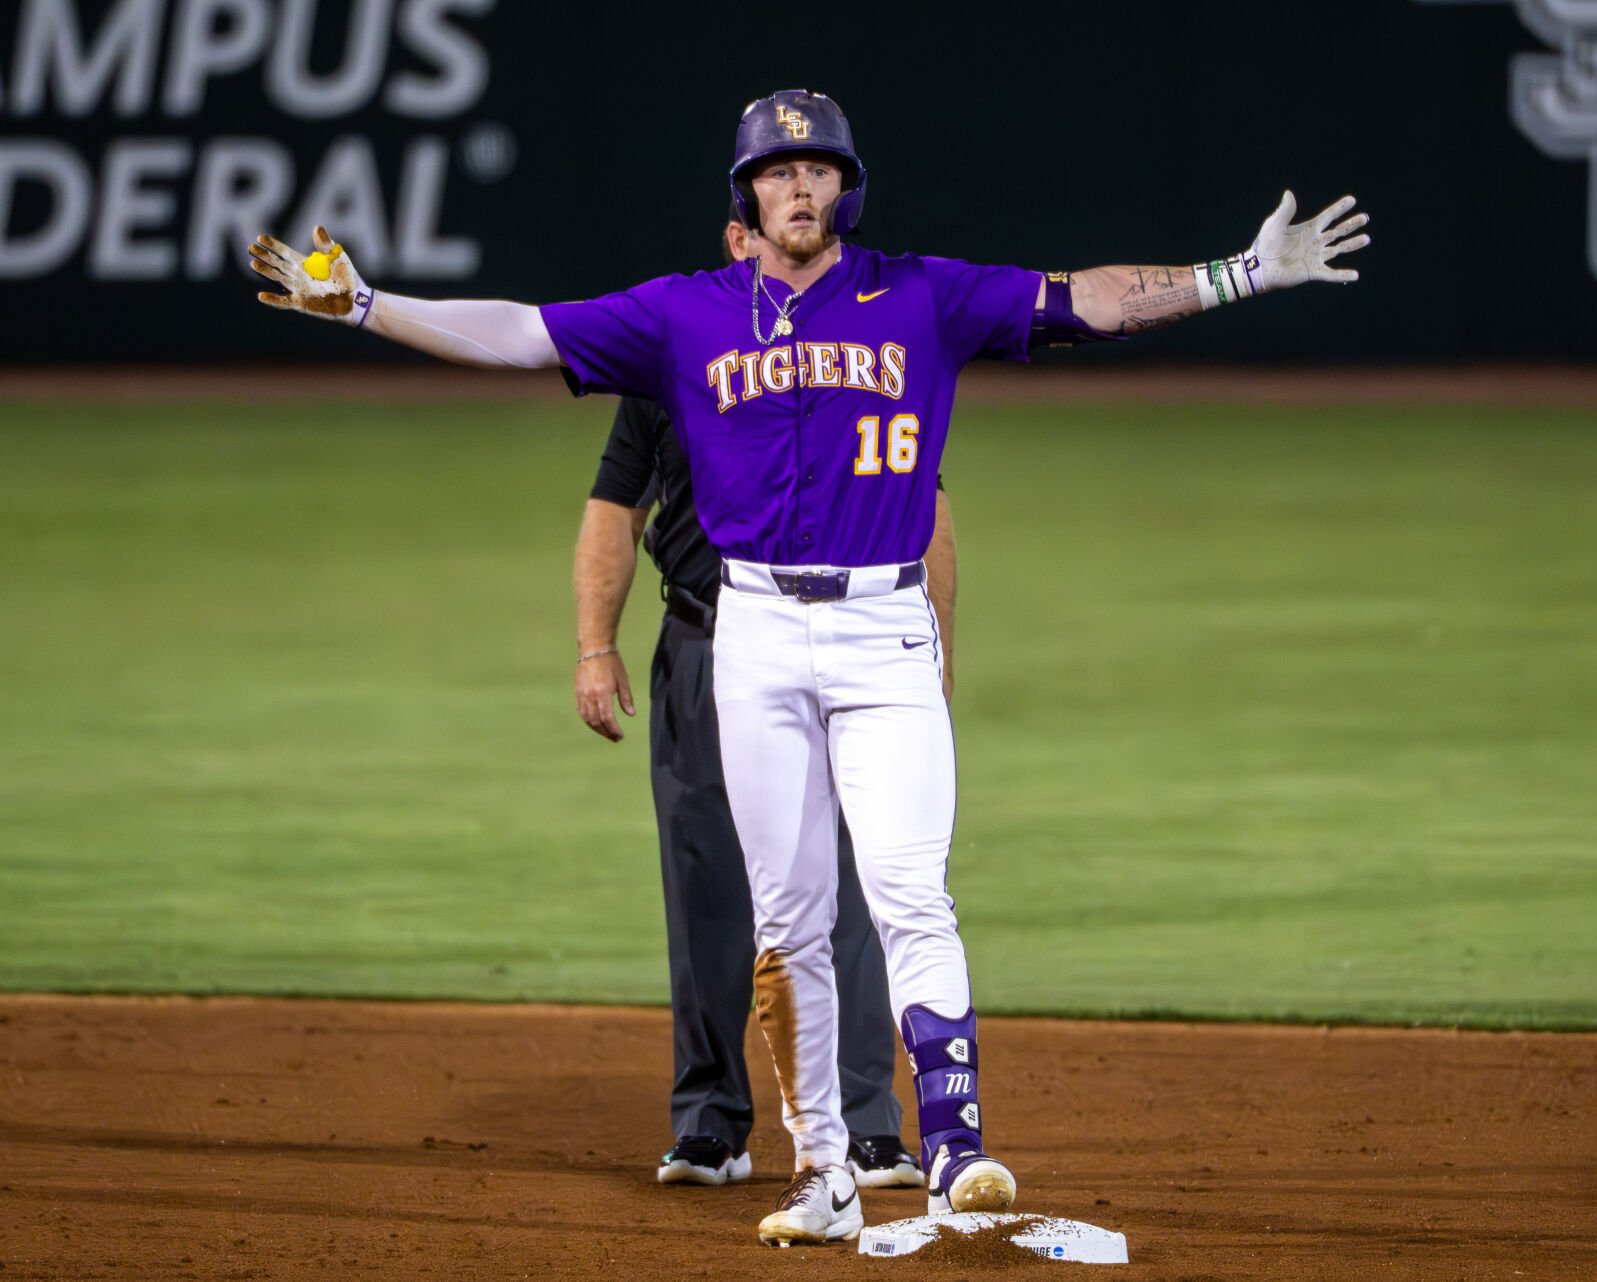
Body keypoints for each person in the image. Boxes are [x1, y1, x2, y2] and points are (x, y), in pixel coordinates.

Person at [249, 88, 1369, 1248]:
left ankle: (958, 1148)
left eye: (818, 169)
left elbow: (1083, 300)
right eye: (778, 173)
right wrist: (369, 304)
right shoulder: (684, 315)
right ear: (747, 196)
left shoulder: (922, 294)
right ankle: (822, 1169)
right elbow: (523, 332)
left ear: (844, 187)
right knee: (789, 918)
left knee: (906, 889)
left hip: (884, 630)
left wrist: (1236, 275)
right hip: (755, 634)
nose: (799, 186)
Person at [573, 220, 954, 1192]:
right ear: (735, 242)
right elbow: (615, 505)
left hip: (856, 642)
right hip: (707, 644)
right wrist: (593, 643)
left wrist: (934, 652)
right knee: (707, 884)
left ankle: (870, 1125)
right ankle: (711, 1122)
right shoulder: (671, 358)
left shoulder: (862, 357)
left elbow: (927, 505)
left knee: (862, 885)